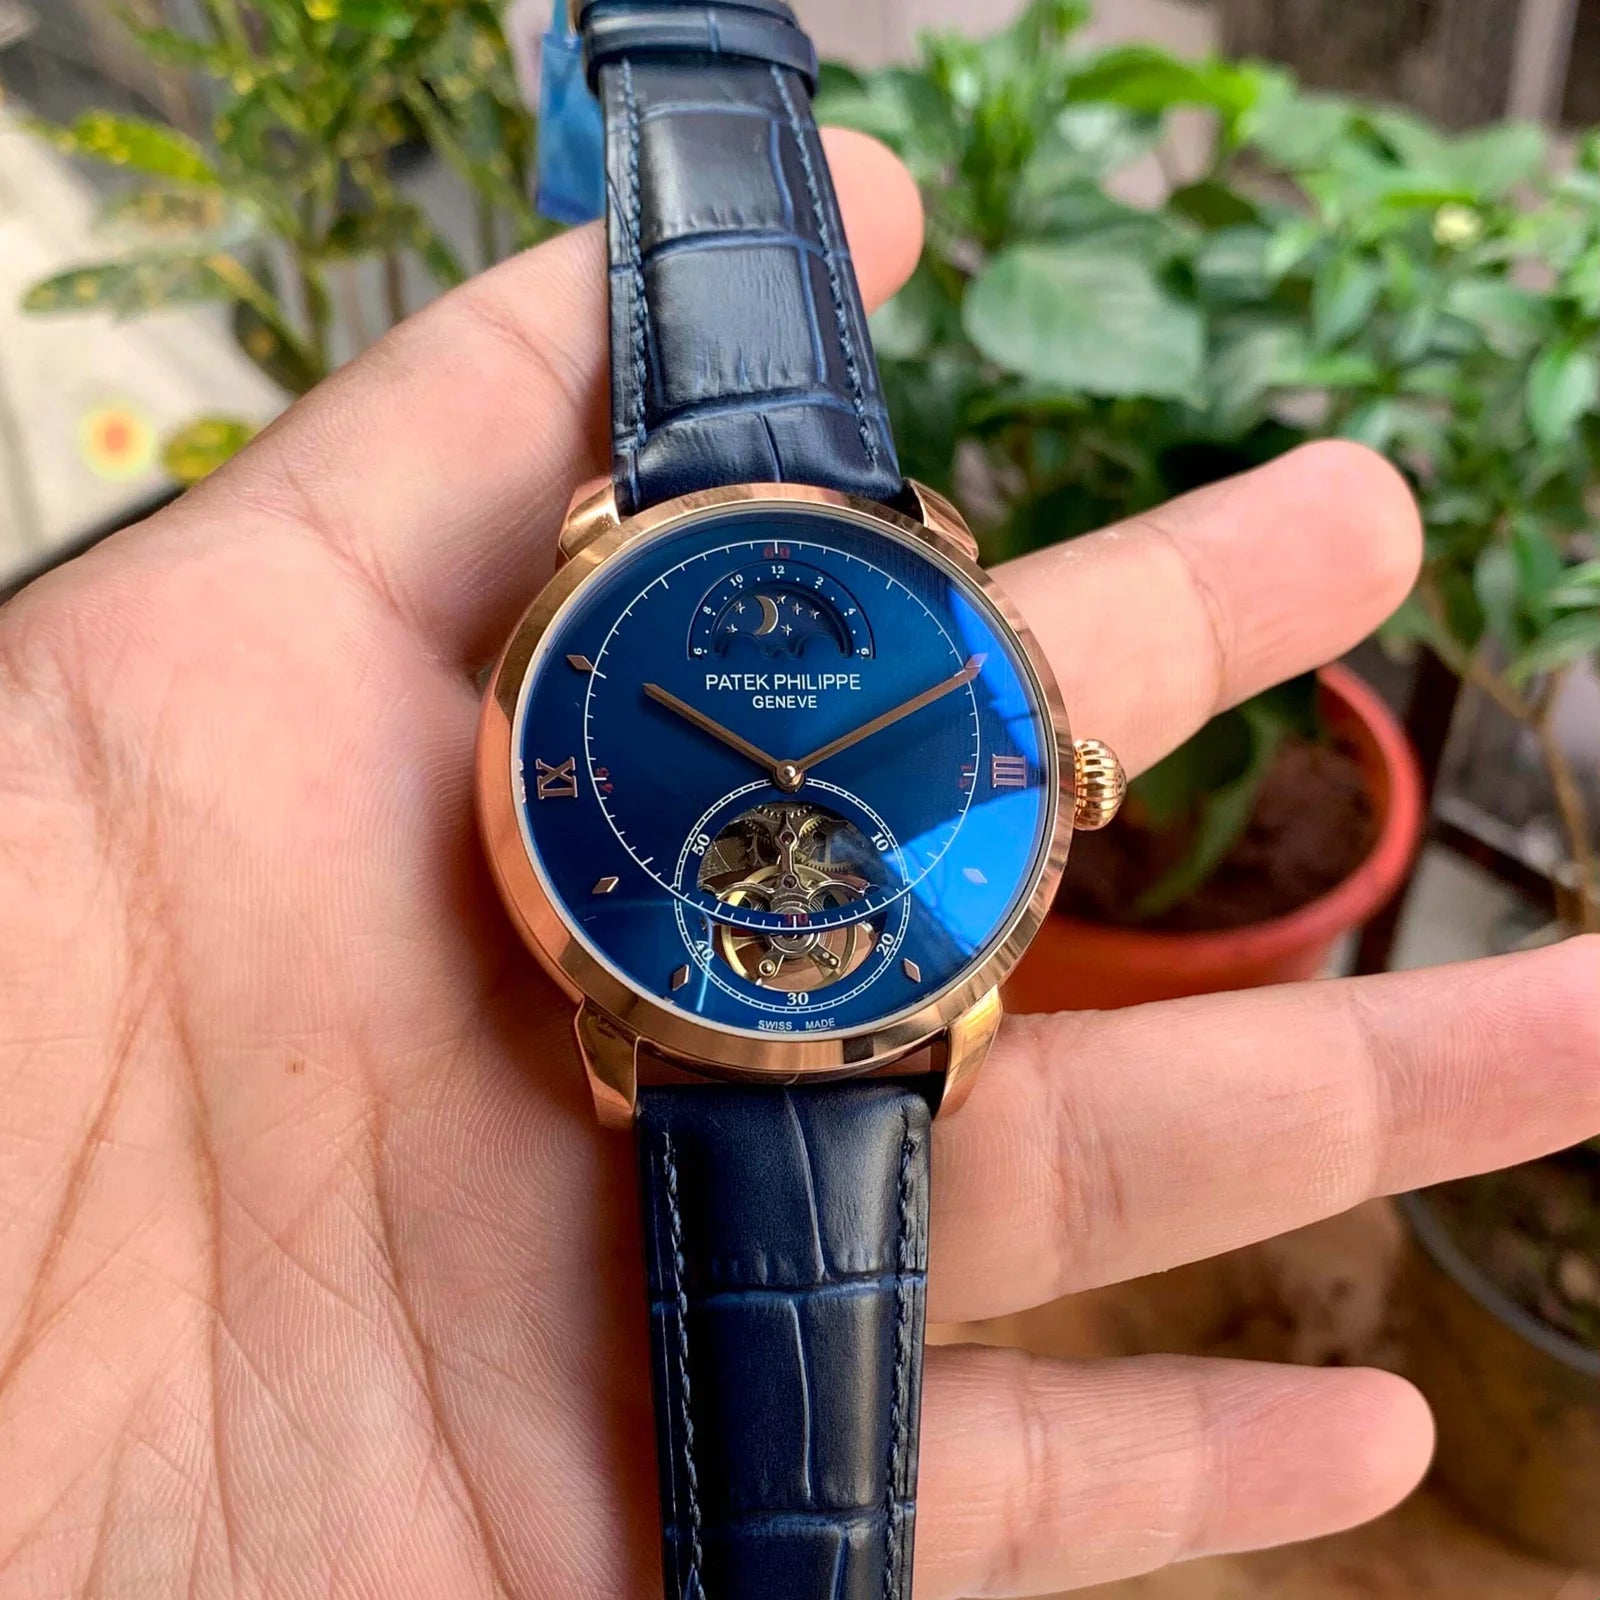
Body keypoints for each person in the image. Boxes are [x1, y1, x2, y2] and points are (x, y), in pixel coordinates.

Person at [0, 130, 1593, 1599]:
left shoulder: (811, 631)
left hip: (812, 994)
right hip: (697, 1000)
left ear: (1071, 786)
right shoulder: (630, 613)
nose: (785, 772)